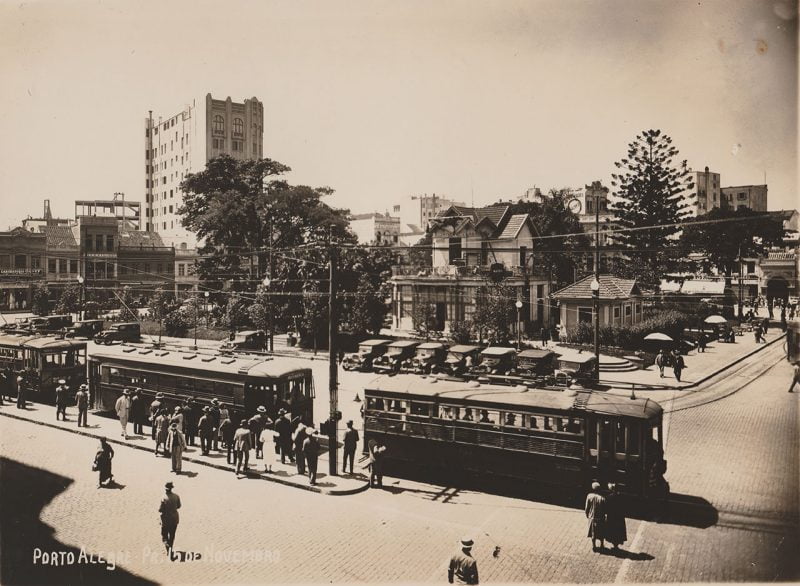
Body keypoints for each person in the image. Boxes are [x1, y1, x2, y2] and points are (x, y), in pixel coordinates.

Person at [159, 482, 181, 556]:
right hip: (174, 519)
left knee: (164, 535)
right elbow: (179, 506)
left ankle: (167, 544)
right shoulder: (176, 496)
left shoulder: (163, 498)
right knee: (172, 535)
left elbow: (161, 509)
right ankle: (170, 548)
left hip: (166, 519)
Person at [604, 483, 627, 550]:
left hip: (611, 516)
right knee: (618, 530)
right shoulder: (620, 496)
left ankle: (614, 544)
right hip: (619, 516)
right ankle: (616, 544)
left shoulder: (608, 497)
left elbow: (606, 508)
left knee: (612, 530)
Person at [585, 481, 606, 552]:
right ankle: (602, 545)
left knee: (593, 532)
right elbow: (604, 509)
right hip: (600, 517)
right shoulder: (602, 498)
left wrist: (587, 514)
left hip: (592, 517)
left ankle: (594, 546)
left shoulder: (589, 496)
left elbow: (586, 507)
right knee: (601, 531)